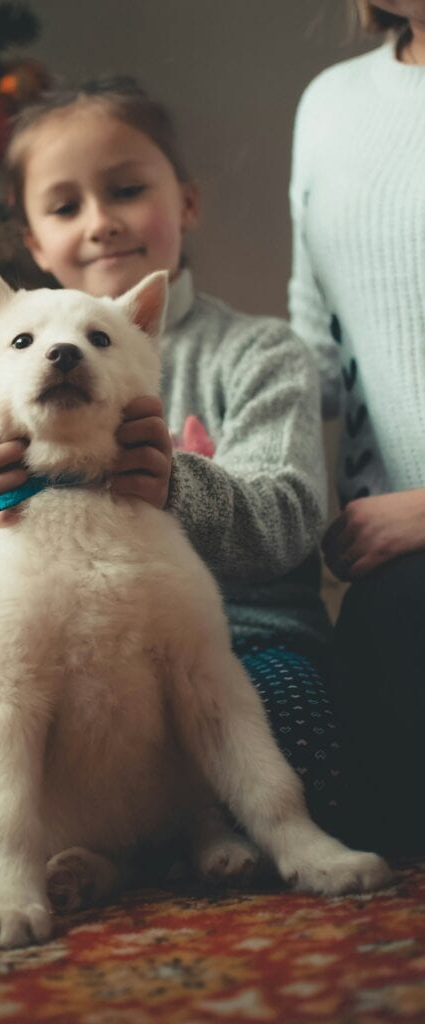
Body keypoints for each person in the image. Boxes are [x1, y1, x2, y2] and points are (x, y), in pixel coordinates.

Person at [0, 77, 345, 891]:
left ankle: (194, 826)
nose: (101, 221)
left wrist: (173, 485)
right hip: (67, 698)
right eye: (65, 205)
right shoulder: (4, 378)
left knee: (304, 730)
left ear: (183, 203)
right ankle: (116, 854)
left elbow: (290, 518)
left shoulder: (257, 353)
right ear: (31, 236)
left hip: (244, 648)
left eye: (125, 190)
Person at [289, 1, 425, 852]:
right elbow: (313, 348)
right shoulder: (331, 102)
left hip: (408, 530)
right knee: (372, 814)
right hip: (398, 570)